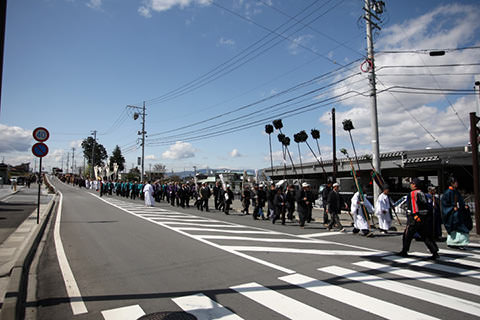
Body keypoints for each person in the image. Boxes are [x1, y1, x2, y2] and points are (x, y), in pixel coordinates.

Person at [398, 178, 439, 259]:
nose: (411, 185)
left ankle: (404, 251)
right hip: (424, 217)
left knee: (407, 235)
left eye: (412, 183)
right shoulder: (422, 193)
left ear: (415, 185)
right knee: (426, 236)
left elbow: (414, 206)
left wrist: (415, 215)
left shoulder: (413, 193)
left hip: (415, 218)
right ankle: (434, 251)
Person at [441, 177, 472, 249]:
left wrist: (464, 206)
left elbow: (461, 201)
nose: (456, 183)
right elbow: (445, 204)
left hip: (458, 213)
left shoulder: (455, 192)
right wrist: (452, 208)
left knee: (460, 228)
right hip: (452, 214)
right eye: (455, 182)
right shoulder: (447, 192)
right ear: (451, 183)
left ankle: (457, 242)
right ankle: (455, 243)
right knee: (456, 228)